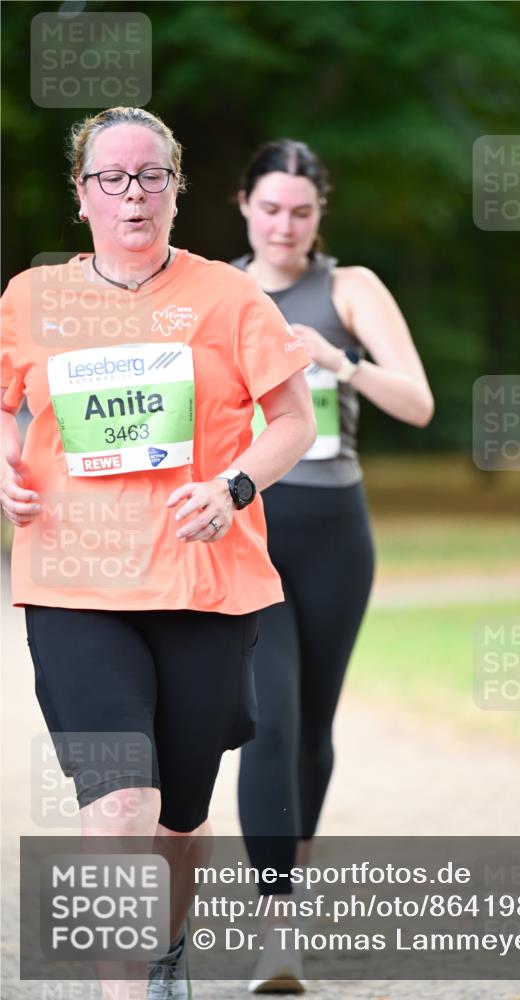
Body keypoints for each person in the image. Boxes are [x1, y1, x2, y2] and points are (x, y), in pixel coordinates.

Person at [0, 108, 315, 1000]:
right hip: (73, 582)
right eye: (112, 178)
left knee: (178, 816)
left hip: (200, 581)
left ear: (176, 188)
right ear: (82, 193)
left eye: (150, 176)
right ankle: (124, 990)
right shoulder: (33, 298)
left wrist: (232, 489)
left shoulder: (229, 297)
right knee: (119, 806)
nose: (132, 194)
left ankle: (165, 941)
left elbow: (291, 420)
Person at [233, 139, 434, 992]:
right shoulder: (215, 289)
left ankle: (292, 897)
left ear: (322, 215)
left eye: (302, 212)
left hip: (333, 531)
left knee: (311, 728)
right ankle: (274, 926)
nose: (285, 225)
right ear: (243, 203)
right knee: (266, 723)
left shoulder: (351, 289)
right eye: (271, 208)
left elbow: (418, 404)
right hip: (247, 525)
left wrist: (337, 359)